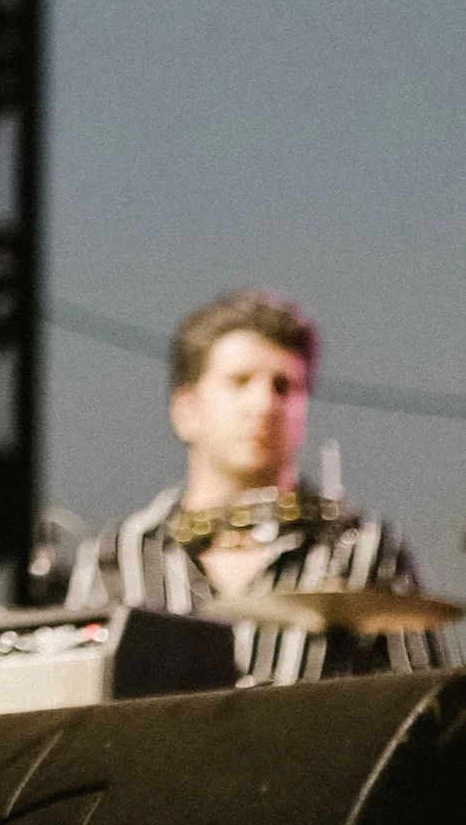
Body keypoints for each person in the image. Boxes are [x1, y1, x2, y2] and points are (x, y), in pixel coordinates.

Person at [66, 289, 445, 683]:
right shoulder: (117, 557)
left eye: (284, 386)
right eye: (240, 381)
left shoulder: (365, 549)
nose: (265, 404)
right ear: (186, 411)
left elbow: (431, 720)